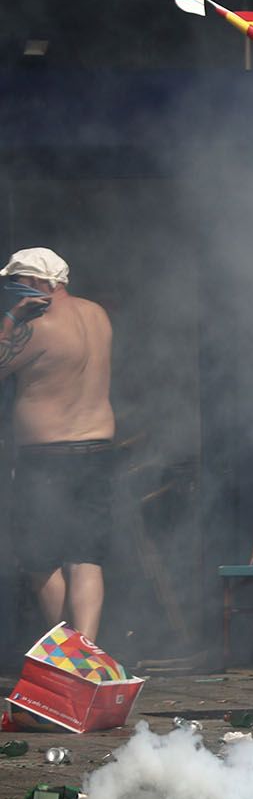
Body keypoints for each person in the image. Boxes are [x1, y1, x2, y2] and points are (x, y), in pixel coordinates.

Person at [0, 248, 114, 641]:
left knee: (41, 559)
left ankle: (66, 651)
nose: (12, 291)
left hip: (48, 458)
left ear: (37, 284)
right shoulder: (97, 314)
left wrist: (11, 321)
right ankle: (87, 651)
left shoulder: (37, 326)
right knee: (85, 557)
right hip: (98, 450)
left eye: (17, 283)